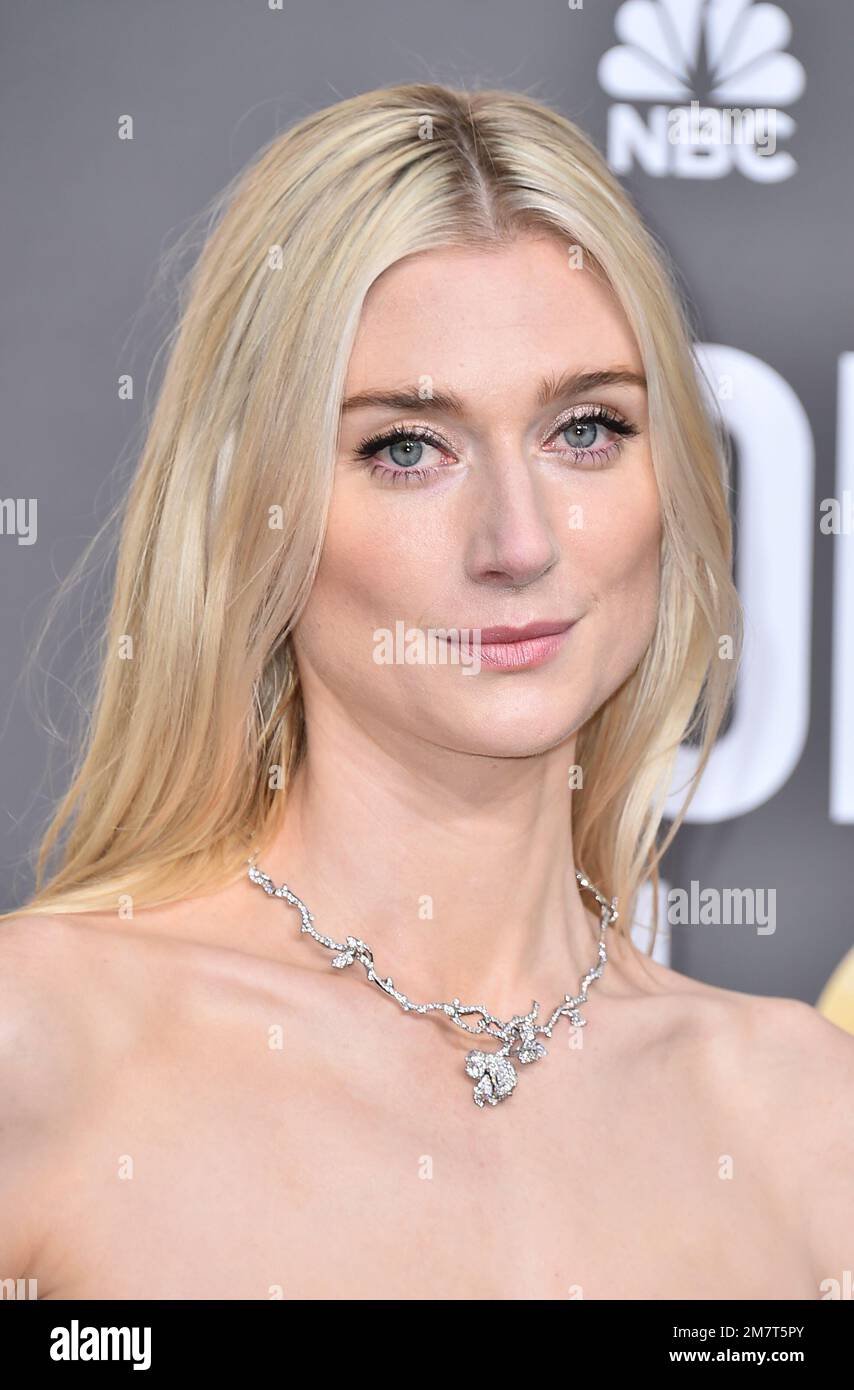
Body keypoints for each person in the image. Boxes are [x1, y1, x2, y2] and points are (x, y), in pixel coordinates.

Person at [1, 82, 851, 1301]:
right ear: (256, 511)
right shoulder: (43, 1052)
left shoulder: (807, 1127)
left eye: (586, 430)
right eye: (407, 446)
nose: (518, 540)